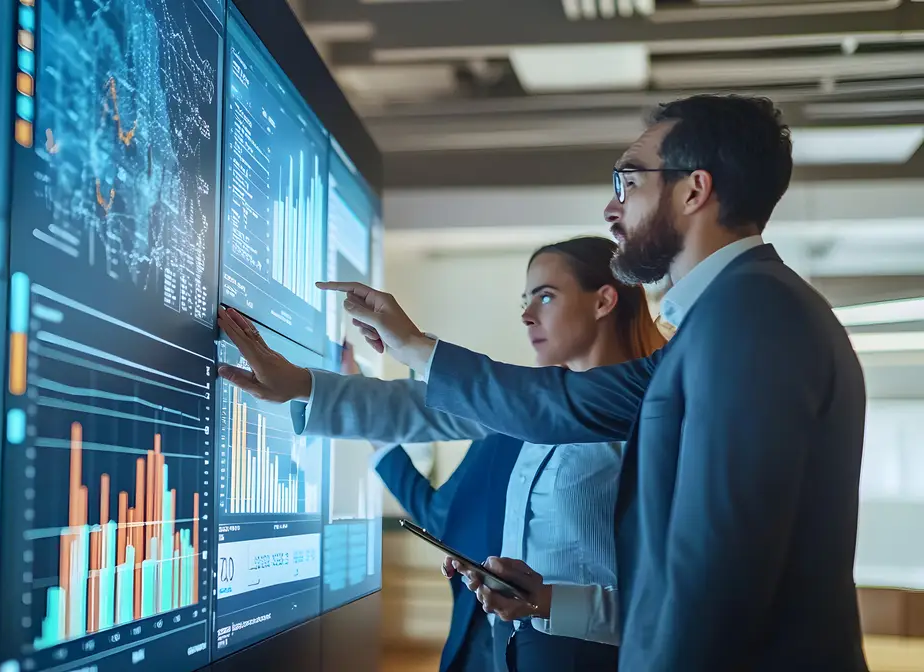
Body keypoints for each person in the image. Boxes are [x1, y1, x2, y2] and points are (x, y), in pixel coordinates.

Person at [311, 95, 868, 671]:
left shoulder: (751, 315)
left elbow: (715, 580)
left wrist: (412, 350)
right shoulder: (724, 319)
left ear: (694, 190)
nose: (610, 207)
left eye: (627, 180)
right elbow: (563, 404)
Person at [217, 236, 667, 671]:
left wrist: (549, 600)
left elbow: (671, 605)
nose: (527, 316)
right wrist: (302, 385)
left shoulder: (654, 416)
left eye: (545, 297)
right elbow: (421, 407)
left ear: (604, 301)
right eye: (524, 302)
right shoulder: (531, 409)